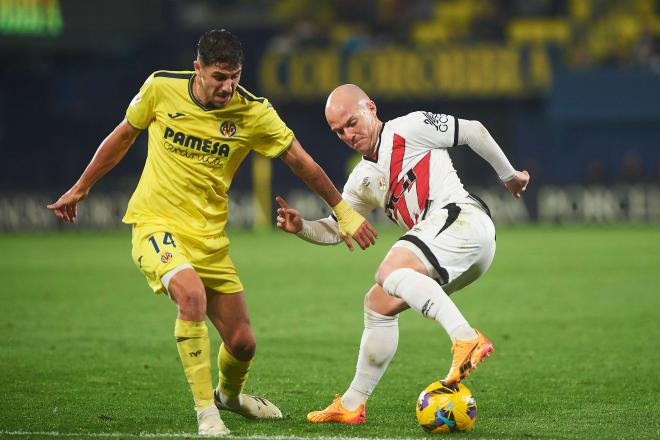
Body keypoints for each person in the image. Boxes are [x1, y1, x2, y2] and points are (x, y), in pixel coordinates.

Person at [47, 31, 377, 436]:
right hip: (156, 223)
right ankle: (207, 414)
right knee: (191, 296)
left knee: (243, 343)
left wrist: (343, 211)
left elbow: (301, 162)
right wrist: (81, 187)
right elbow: (124, 136)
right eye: (219, 76)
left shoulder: (253, 112)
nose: (228, 86)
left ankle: (229, 397)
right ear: (197, 68)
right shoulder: (160, 88)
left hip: (209, 238)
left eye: (235, 77)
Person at [276, 84, 529, 424]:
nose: (348, 135)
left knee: (387, 270)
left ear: (371, 108)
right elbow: (338, 229)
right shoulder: (362, 178)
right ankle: (352, 404)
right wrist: (302, 227)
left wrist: (509, 175)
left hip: (463, 219)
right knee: (378, 303)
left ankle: (466, 338)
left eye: (352, 123)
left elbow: (473, 131)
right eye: (338, 132)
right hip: (453, 248)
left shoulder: (409, 127)